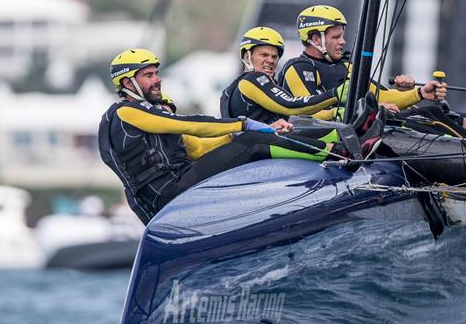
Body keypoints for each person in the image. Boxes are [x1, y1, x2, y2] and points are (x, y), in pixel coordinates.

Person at [99, 48, 349, 224]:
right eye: (149, 75)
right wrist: (243, 125)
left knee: (248, 143)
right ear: (129, 83)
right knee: (250, 143)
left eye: (156, 73)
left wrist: (248, 134)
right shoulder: (125, 113)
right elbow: (190, 125)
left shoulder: (148, 113)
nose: (158, 79)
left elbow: (196, 147)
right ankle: (335, 152)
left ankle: (333, 147)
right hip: (165, 192)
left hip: (177, 181)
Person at [279, 5, 466, 143]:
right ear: (315, 38)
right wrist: (376, 107)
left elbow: (383, 95)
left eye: (342, 35)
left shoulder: (346, 66)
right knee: (432, 114)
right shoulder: (298, 69)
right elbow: (308, 112)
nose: (342, 42)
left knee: (444, 111)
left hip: (373, 123)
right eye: (336, 37)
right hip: (348, 136)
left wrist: (419, 92)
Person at [220, 26, 383, 156]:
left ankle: (358, 136)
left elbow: (294, 116)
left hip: (253, 147)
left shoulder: (233, 89)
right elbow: (291, 105)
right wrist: (334, 94)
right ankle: (346, 149)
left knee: (312, 127)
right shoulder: (252, 79)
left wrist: (334, 114)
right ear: (247, 56)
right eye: (264, 55)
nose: (270, 61)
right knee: (327, 138)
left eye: (274, 57)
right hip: (255, 149)